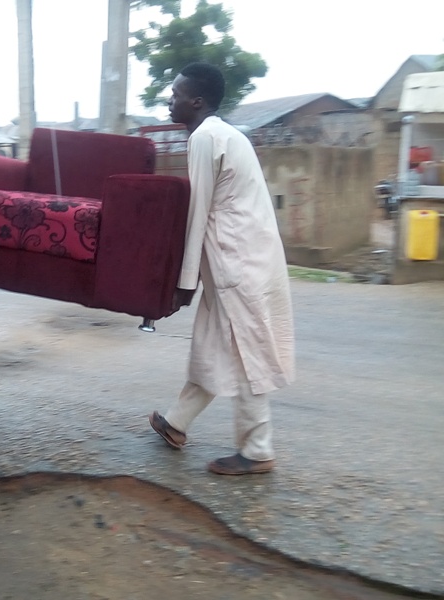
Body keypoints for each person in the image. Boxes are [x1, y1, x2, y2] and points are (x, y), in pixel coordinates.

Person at [148, 63, 295, 476]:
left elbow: (198, 214)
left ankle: (257, 449)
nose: (169, 99)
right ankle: (176, 422)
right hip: (243, 259)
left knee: (246, 354)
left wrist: (184, 282)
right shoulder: (225, 134)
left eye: (176, 93)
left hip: (237, 264)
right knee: (214, 346)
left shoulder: (206, 138)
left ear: (197, 101)